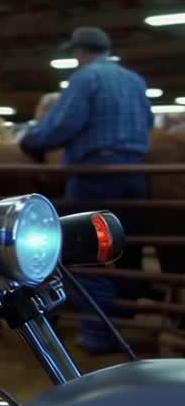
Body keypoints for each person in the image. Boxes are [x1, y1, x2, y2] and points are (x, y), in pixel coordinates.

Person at [20, 26, 153, 354]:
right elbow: (148, 121)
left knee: (89, 250)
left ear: (80, 51)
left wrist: (32, 140)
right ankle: (122, 323)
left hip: (96, 172)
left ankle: (97, 334)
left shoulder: (85, 79)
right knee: (125, 249)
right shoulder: (134, 80)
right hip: (136, 174)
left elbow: (64, 125)